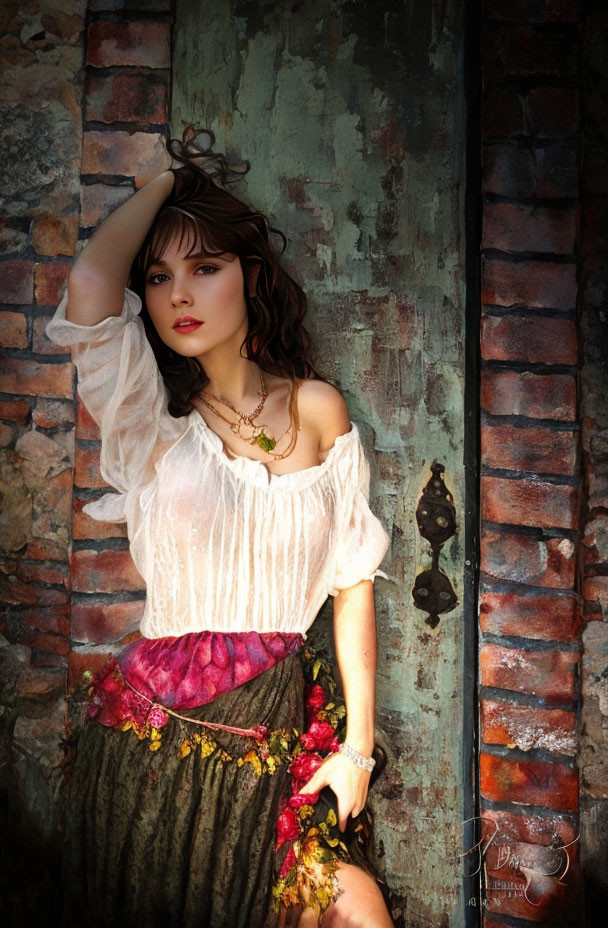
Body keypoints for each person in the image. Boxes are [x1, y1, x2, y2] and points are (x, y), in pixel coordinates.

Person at [46, 128, 393, 928]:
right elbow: (93, 285)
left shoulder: (318, 410)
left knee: (357, 911)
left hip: (280, 733)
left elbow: (351, 587)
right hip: (154, 744)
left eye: (206, 268)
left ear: (251, 276)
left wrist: (359, 751)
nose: (179, 295)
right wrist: (170, 180)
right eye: (162, 277)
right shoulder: (149, 418)